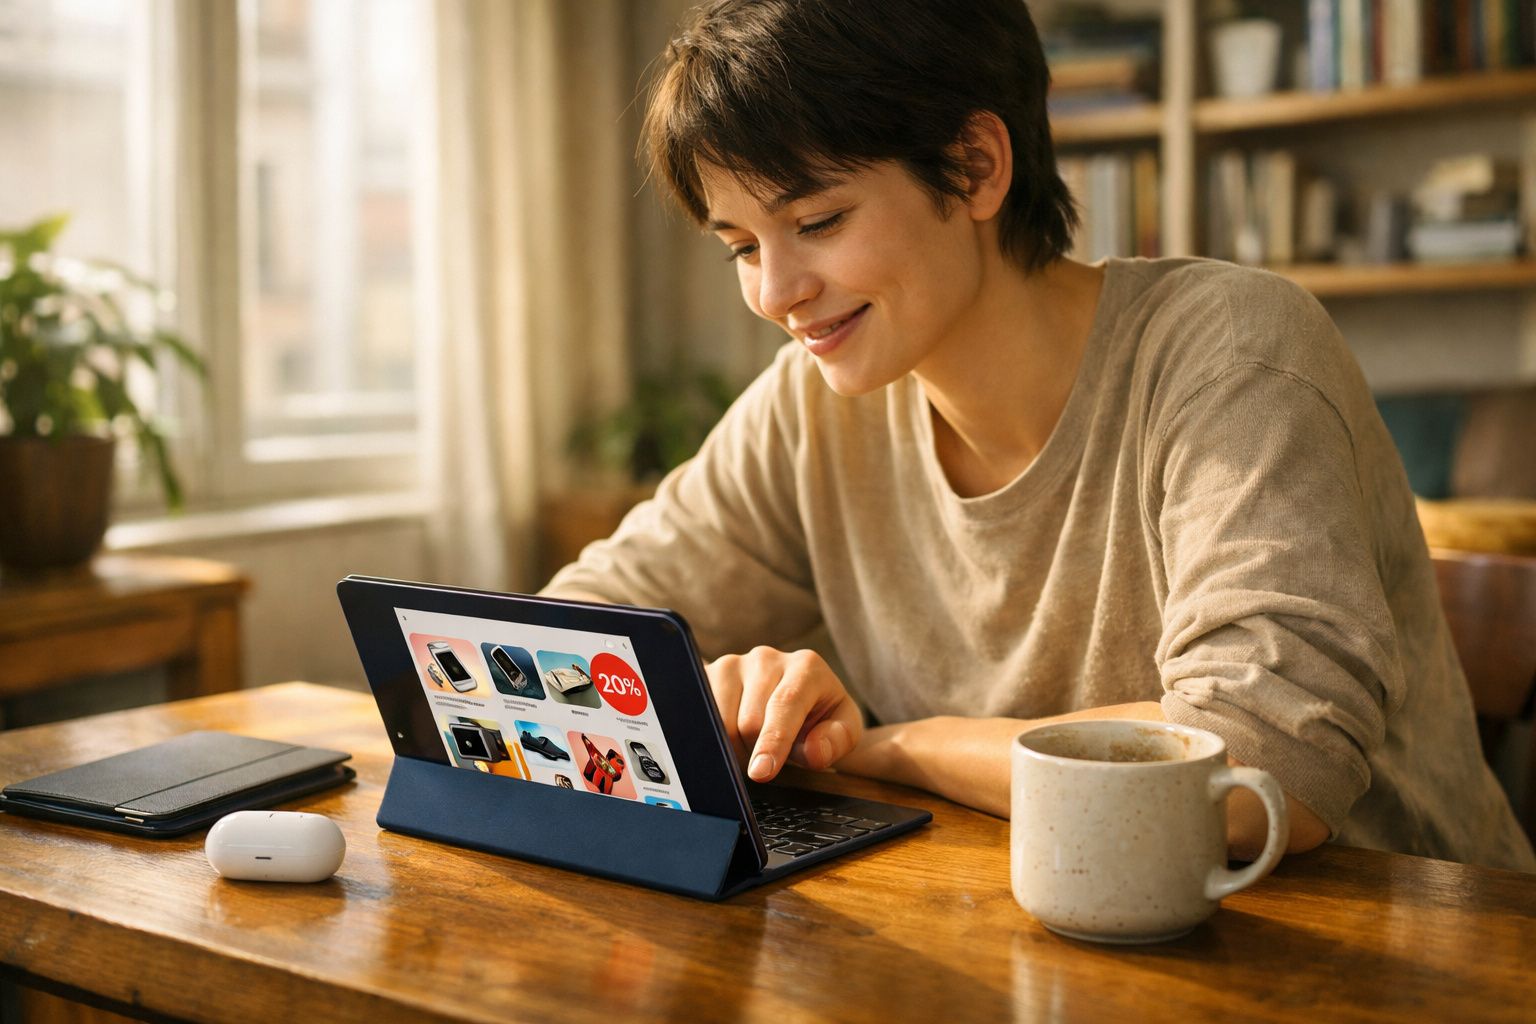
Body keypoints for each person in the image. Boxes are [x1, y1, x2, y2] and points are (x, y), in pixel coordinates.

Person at [544, 0, 1535, 870]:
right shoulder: (809, 407)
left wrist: (889, 746)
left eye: (819, 220)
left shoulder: (1231, 350)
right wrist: (727, 697)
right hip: (1047, 933)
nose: (774, 293)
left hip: (1399, 948)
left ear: (976, 166)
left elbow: (1260, 775)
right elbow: (564, 636)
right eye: (741, 247)